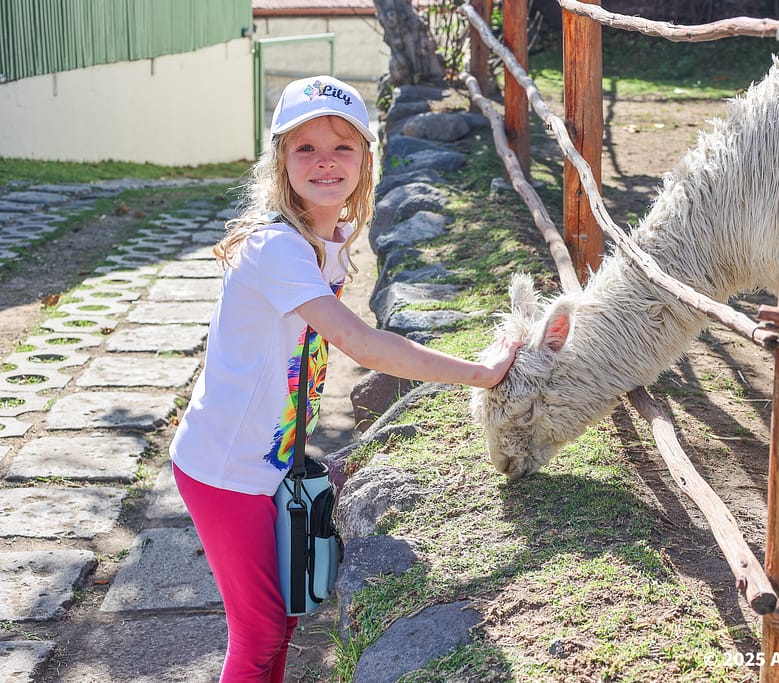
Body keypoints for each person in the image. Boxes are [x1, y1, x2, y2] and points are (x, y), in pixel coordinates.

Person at [169, 75, 519, 682]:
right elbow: (362, 343)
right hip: (224, 468)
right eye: (305, 147)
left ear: (365, 157)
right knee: (256, 636)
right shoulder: (277, 247)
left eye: (342, 147)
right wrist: (480, 374)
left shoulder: (323, 237)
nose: (325, 161)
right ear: (280, 159)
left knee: (282, 622)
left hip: (265, 458)